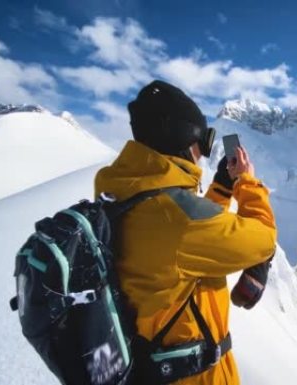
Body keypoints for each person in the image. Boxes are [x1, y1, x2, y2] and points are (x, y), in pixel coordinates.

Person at [94, 80, 276, 385]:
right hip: (194, 376)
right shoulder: (175, 219)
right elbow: (263, 237)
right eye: (202, 142)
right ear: (180, 138)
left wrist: (220, 189)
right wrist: (246, 182)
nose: (203, 154)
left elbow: (182, 234)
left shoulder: (126, 194)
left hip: (148, 364)